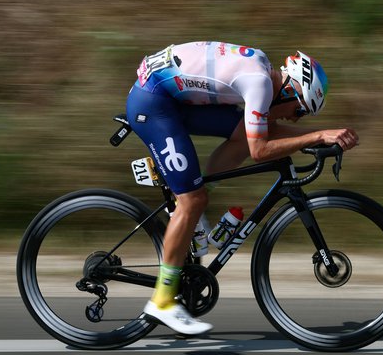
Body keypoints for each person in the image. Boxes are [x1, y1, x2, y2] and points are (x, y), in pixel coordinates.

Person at [126, 41, 358, 335]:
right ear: (289, 90)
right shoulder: (260, 83)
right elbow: (260, 149)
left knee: (237, 137)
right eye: (299, 111)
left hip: (169, 96)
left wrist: (319, 136)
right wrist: (318, 135)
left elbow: (255, 133)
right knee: (192, 200)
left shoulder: (262, 71)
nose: (293, 118)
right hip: (153, 102)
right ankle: (162, 300)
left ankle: (189, 209)